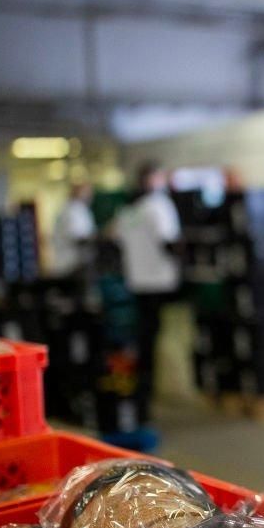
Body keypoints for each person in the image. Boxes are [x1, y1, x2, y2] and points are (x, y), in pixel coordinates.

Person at [114, 161, 182, 425]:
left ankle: (144, 391)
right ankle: (162, 389)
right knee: (161, 337)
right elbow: (168, 241)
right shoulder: (159, 205)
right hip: (161, 283)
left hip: (138, 283)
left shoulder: (129, 211)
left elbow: (115, 238)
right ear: (153, 178)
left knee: (144, 339)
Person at [49, 182, 95, 278]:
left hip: (74, 263)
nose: (90, 195)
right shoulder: (72, 210)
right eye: (86, 192)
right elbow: (79, 237)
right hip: (71, 264)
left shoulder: (79, 209)